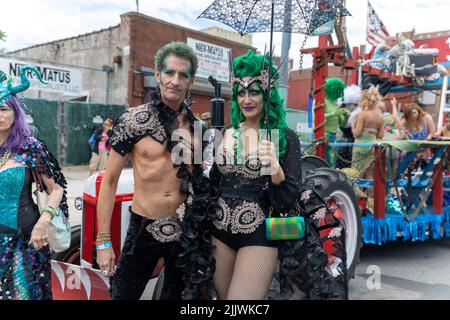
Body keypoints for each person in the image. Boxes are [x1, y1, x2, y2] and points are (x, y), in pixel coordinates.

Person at [95, 41, 208, 300]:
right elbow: (109, 181)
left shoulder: (198, 127)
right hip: (144, 226)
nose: (175, 81)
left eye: (183, 75)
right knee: (123, 295)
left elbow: (199, 184)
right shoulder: (132, 121)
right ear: (157, 74)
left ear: (191, 81)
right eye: (169, 72)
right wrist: (103, 242)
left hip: (185, 231)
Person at [0, 66, 68, 300]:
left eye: (3, 109)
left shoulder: (30, 147)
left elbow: (56, 188)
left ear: (15, 113)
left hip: (25, 238)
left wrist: (45, 219)